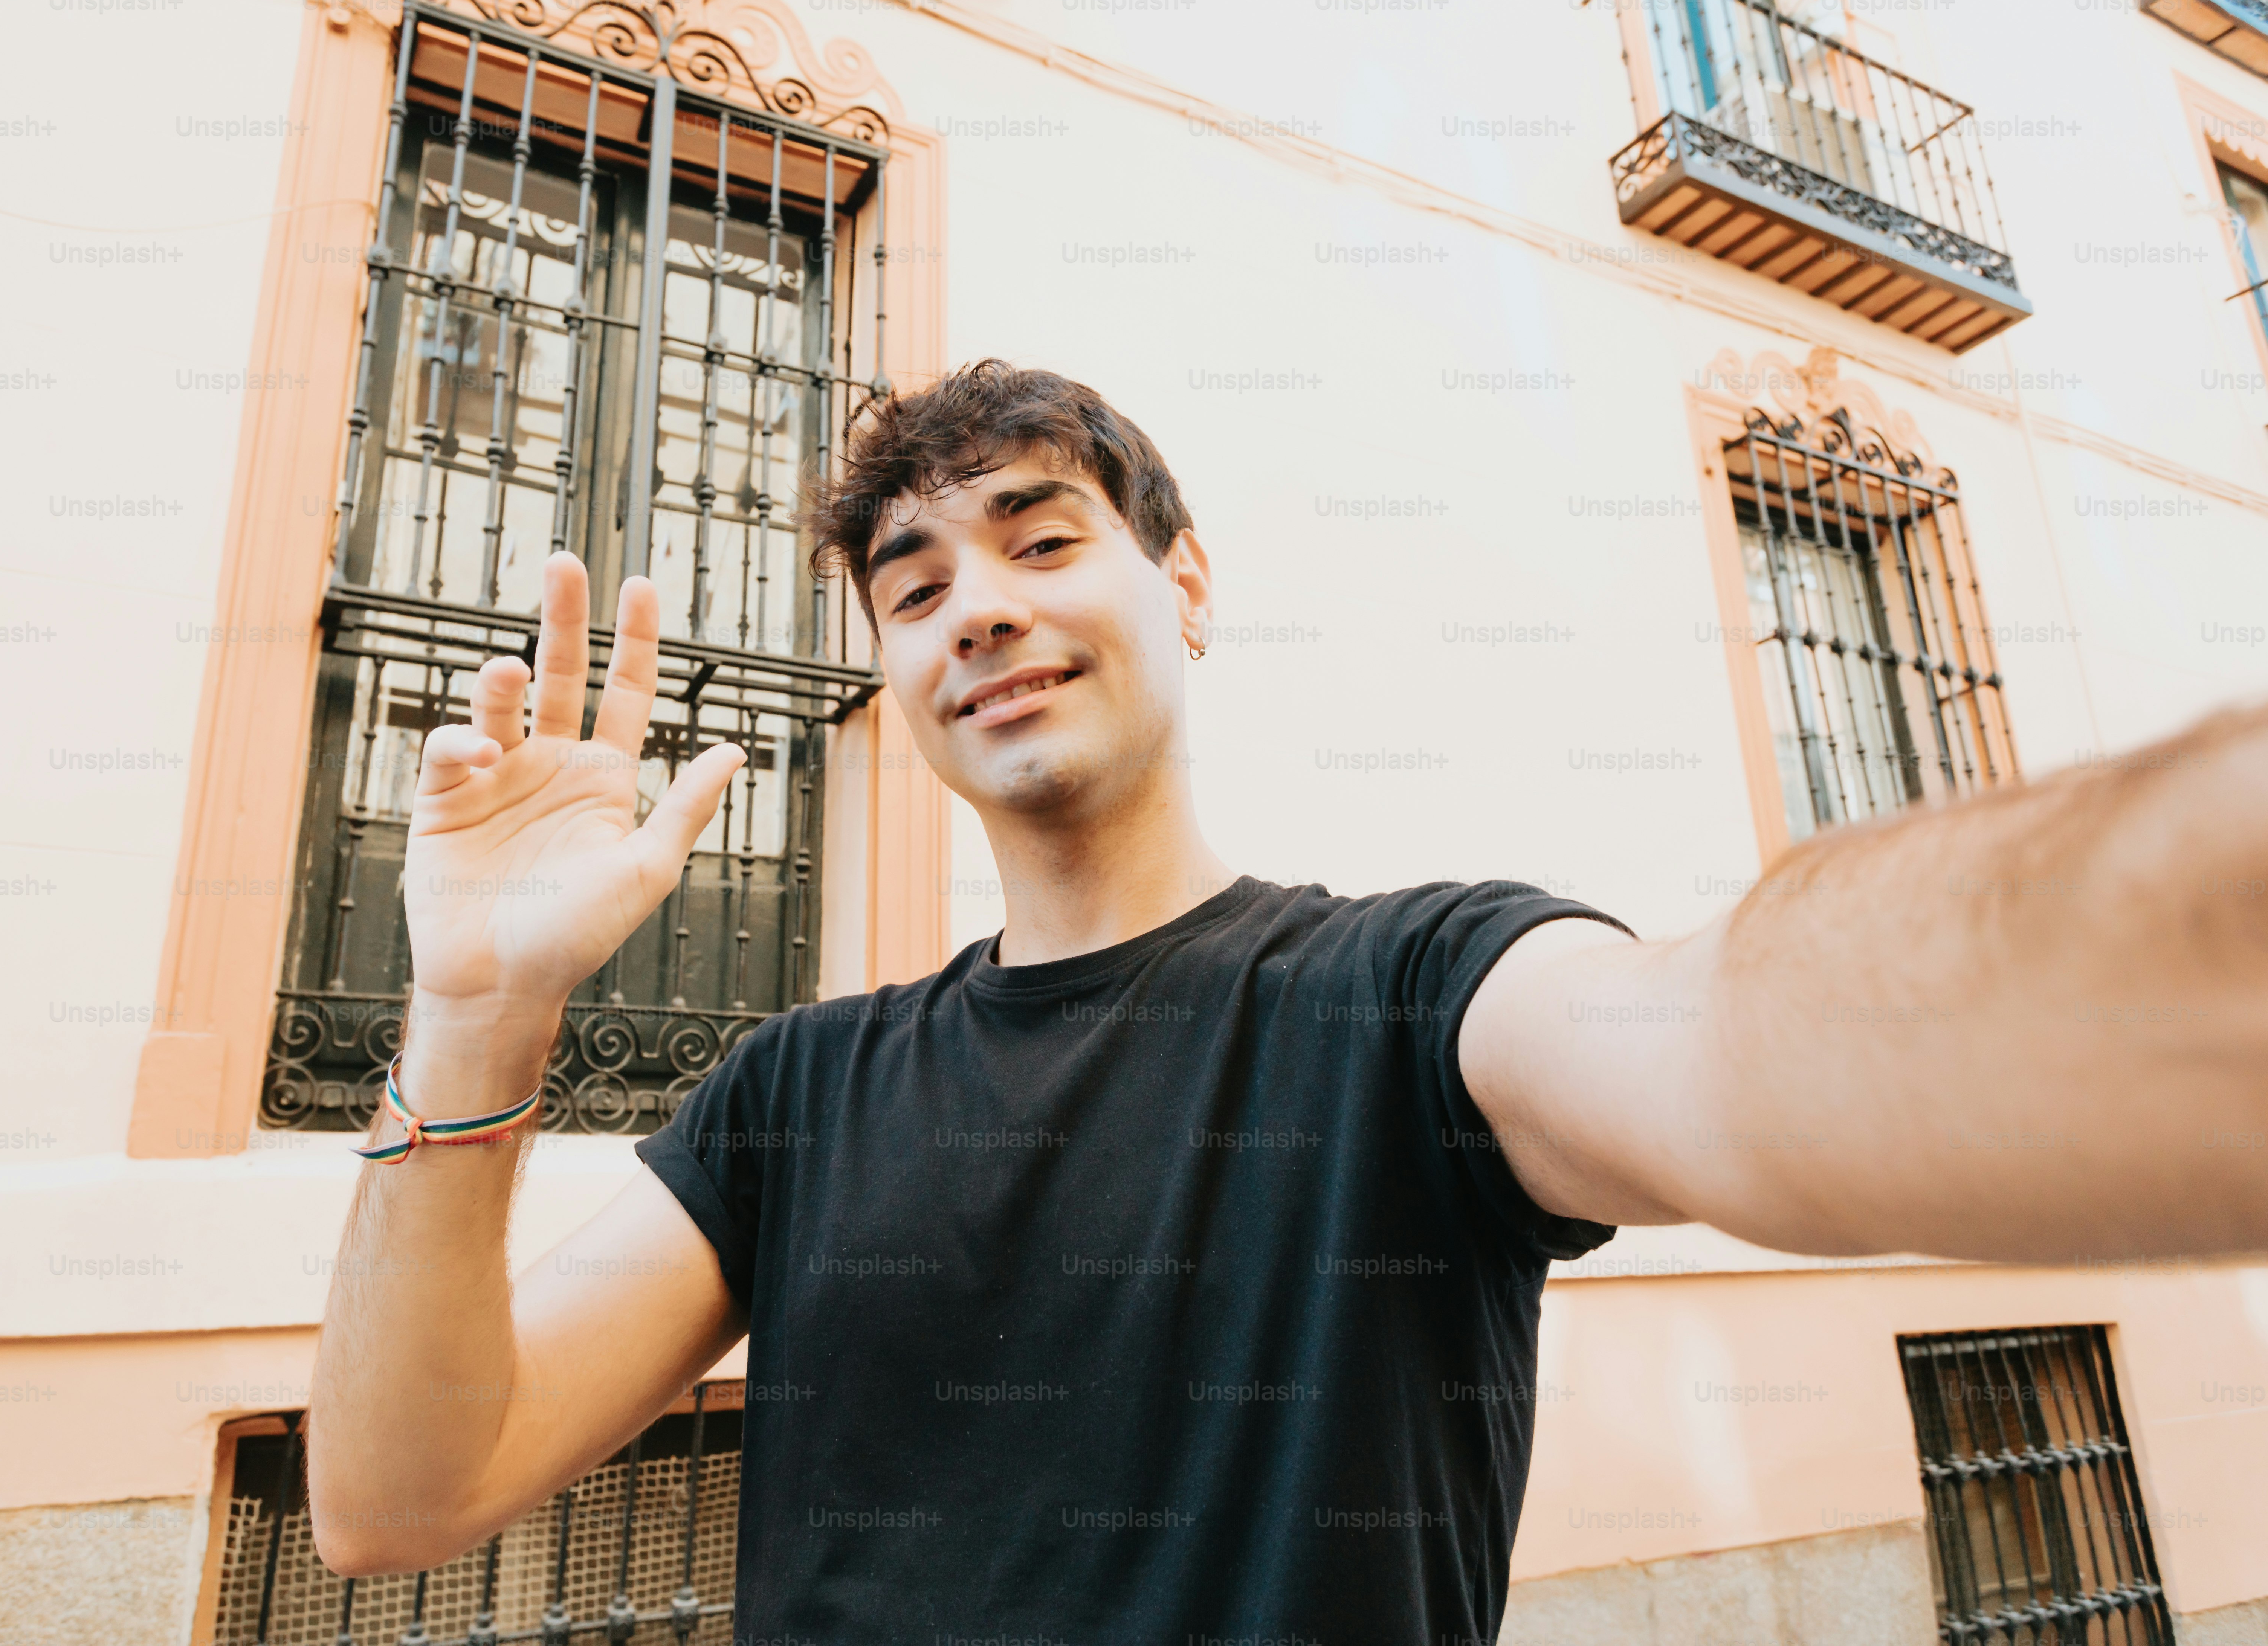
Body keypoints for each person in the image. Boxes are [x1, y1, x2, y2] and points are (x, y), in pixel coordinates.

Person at [306, 360, 2266, 1643]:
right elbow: (399, 1498)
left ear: (1192, 588)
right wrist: (473, 1013)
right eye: (912, 588)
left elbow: (1738, 1045)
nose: (974, 606)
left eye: (1043, 539)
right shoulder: (796, 1092)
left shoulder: (1405, 1000)